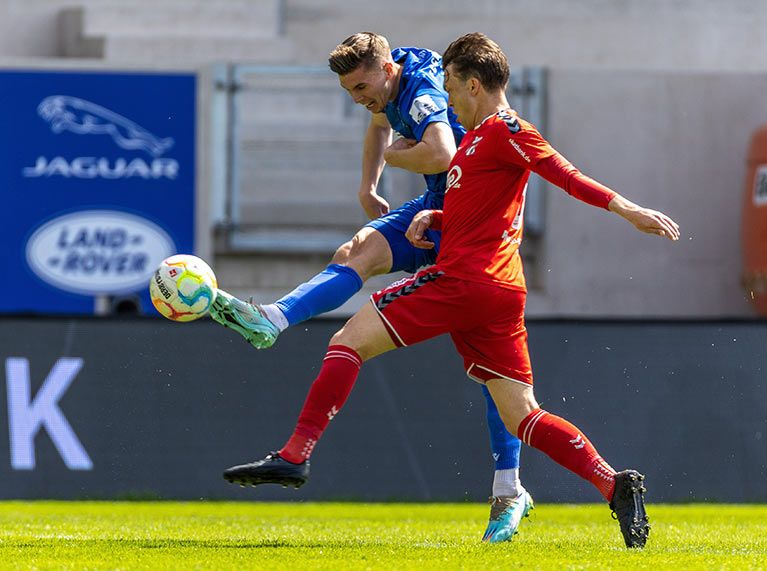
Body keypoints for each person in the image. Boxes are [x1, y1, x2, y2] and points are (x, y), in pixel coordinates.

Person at [222, 32, 680, 548]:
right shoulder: (479, 141)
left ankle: (295, 456)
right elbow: (488, 207)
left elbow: (564, 174)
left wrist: (628, 209)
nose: (447, 100)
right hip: (499, 293)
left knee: (347, 342)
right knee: (522, 414)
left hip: (463, 282)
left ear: (475, 84)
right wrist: (435, 218)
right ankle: (612, 482)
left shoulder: (506, 129)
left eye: (452, 88)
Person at [210, 32, 531, 542]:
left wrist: (399, 158)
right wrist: (368, 184)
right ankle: (274, 318)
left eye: (362, 87)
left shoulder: (423, 88)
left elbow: (444, 155)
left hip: (467, 226)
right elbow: (380, 126)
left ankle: (509, 489)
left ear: (386, 68)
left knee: (496, 379)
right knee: (354, 252)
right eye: (350, 93)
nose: (359, 99)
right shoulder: (389, 84)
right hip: (433, 210)